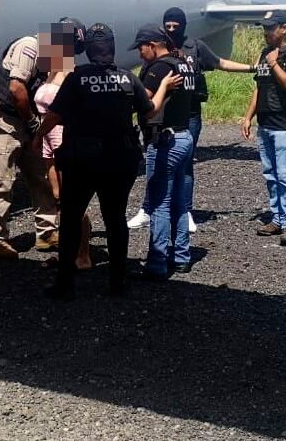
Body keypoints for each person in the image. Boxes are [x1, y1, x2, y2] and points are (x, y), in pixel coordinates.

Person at [35, 24, 181, 300]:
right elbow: (149, 113)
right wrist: (163, 86)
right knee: (115, 220)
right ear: (112, 48)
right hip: (119, 160)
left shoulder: (76, 78)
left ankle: (65, 285)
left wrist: (36, 138)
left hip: (81, 161)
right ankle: (117, 283)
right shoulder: (127, 79)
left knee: (70, 219)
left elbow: (54, 116)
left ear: (89, 49)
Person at [128, 7, 253, 232]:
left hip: (188, 114)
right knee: (155, 164)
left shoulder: (194, 47)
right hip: (159, 116)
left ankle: (184, 211)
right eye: (168, 26)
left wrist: (252, 68)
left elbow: (221, 63)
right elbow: (145, 86)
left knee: (184, 166)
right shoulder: (154, 51)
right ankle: (148, 209)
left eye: (176, 25)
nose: (172, 29)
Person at [0, 25, 59, 258]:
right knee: (3, 182)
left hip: (25, 124)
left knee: (41, 178)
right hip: (4, 122)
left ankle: (47, 233)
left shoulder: (49, 53)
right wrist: (35, 123)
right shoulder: (29, 46)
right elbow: (16, 89)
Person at [130, 24, 199, 278]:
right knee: (179, 201)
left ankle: (157, 262)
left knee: (159, 203)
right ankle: (181, 256)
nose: (139, 53)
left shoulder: (159, 68)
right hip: (185, 136)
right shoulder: (184, 63)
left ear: (153, 44)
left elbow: (144, 103)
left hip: (165, 141)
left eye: (141, 47)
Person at [241, 10, 286, 246]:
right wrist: (248, 116)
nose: (266, 32)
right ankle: (278, 218)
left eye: (271, 28)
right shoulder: (265, 53)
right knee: (270, 174)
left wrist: (274, 62)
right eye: (265, 28)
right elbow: (259, 87)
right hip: (266, 124)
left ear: (285, 28)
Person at [34, 38, 92, 272]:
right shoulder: (50, 72)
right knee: (57, 196)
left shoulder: (71, 74)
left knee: (72, 200)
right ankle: (67, 251)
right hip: (47, 135)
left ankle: (84, 254)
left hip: (60, 134)